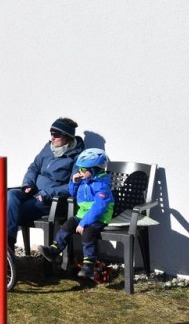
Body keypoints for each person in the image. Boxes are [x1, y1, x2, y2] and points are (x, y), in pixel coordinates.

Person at [6, 117, 84, 251]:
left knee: (10, 211)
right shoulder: (48, 148)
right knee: (10, 194)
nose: (52, 137)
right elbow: (34, 167)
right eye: (51, 133)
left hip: (51, 201)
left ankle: (6, 246)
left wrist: (47, 193)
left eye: (56, 134)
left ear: (68, 138)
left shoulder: (77, 157)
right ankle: (4, 245)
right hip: (33, 192)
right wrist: (28, 184)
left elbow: (73, 186)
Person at [39, 148, 114, 279]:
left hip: (99, 218)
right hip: (82, 215)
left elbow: (98, 208)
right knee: (67, 225)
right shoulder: (85, 181)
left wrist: (83, 223)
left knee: (88, 233)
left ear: (94, 169)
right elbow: (74, 195)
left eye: (83, 169)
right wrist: (74, 183)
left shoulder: (102, 186)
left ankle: (89, 266)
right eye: (79, 168)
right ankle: (54, 251)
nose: (80, 171)